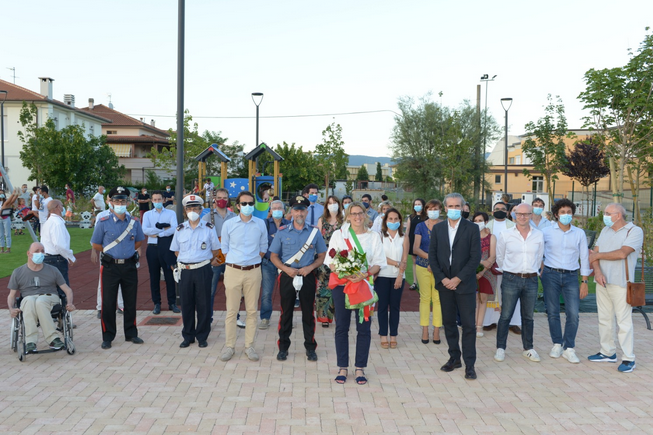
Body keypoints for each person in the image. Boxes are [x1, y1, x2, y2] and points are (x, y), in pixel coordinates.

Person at [325, 202, 386, 385]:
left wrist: (364, 274)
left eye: (360, 213)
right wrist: (346, 272)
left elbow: (378, 263)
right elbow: (331, 261)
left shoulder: (374, 237)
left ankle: (360, 368)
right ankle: (342, 367)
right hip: (342, 285)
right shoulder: (339, 235)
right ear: (348, 216)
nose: (357, 217)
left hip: (363, 285)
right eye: (353, 214)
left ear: (365, 215)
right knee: (342, 327)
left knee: (364, 328)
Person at [429, 193, 481, 380]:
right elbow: (432, 257)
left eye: (457, 206)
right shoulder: (438, 229)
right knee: (449, 323)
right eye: (450, 206)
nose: (453, 209)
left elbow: (475, 258)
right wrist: (443, 279)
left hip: (464, 284)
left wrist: (457, 279)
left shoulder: (472, 229)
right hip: (444, 285)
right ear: (445, 208)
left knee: (468, 326)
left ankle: (470, 364)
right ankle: (454, 358)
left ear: (463, 207)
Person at [270, 195, 327, 362]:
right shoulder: (282, 232)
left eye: (302, 210)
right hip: (288, 276)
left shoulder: (314, 232)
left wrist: (310, 268)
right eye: (296, 210)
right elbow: (273, 256)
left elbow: (322, 255)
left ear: (306, 211)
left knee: (308, 313)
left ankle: (310, 347)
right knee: (286, 312)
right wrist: (286, 270)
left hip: (307, 275)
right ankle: (283, 347)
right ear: (291, 212)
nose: (299, 213)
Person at [588, 202, 643, 373]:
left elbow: (622, 253)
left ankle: (628, 358)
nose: (604, 216)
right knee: (604, 318)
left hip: (621, 283)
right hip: (602, 281)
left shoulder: (634, 231)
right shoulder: (605, 230)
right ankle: (607, 352)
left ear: (618, 215)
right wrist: (597, 272)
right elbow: (593, 256)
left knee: (623, 321)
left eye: (607, 213)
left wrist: (597, 255)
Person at [91, 186, 145, 349]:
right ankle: (108, 336)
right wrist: (112, 252)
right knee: (108, 303)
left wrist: (126, 252)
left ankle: (131, 333)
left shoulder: (134, 222)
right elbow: (96, 243)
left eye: (123, 200)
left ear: (127, 202)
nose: (120, 203)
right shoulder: (103, 222)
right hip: (110, 266)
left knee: (130, 301)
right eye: (117, 200)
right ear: (111, 202)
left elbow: (139, 242)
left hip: (129, 265)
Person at [219, 190, 268, 362]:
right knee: (232, 311)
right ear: (238, 206)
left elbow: (264, 246)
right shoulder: (229, 225)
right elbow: (224, 247)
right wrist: (236, 262)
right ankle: (229, 346)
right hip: (233, 270)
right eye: (244, 204)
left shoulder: (260, 224)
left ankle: (249, 346)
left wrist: (252, 261)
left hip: (254, 271)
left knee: (252, 311)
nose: (248, 207)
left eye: (251, 203)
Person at [541, 198, 590, 364]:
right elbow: (539, 252)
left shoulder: (579, 233)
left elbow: (584, 257)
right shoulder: (546, 232)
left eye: (569, 212)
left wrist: (584, 281)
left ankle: (569, 347)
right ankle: (557, 344)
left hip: (571, 276)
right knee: (553, 312)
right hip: (550, 275)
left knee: (573, 313)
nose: (566, 215)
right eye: (563, 212)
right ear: (556, 214)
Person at [494, 203, 544, 364]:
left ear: (531, 215)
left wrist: (533, 270)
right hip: (510, 279)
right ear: (514, 215)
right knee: (505, 315)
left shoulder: (538, 235)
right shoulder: (506, 234)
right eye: (519, 214)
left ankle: (528, 348)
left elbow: (539, 257)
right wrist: (510, 270)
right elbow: (500, 257)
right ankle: (500, 348)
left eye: (526, 214)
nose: (523, 217)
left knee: (528, 316)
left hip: (531, 280)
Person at [171, 194, 221, 348]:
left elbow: (215, 250)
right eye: (189, 208)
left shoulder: (209, 228)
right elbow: (176, 251)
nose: (192, 210)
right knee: (186, 304)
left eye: (195, 207)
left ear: (201, 210)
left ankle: (202, 336)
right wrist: (188, 260)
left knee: (203, 304)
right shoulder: (180, 229)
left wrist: (202, 260)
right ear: (185, 211)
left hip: (203, 270)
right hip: (186, 271)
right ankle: (188, 336)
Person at [7, 242, 76, 353]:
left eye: (42, 251)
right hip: (28, 298)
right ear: (29, 254)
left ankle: (53, 339)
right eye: (37, 251)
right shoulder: (18, 272)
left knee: (40, 301)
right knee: (29, 300)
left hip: (49, 297)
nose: (40, 253)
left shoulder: (52, 270)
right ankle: (30, 342)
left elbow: (68, 290)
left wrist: (70, 303)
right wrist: (11, 309)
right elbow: (11, 295)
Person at [483, 201, 521, 334]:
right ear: (492, 212)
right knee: (491, 292)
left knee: (512, 293)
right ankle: (489, 321)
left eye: (503, 209)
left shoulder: (514, 226)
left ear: (507, 212)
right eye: (497, 209)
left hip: (510, 264)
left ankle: (513, 322)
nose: (500, 210)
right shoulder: (487, 226)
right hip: (491, 265)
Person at [202, 188, 237, 323]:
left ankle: (235, 317)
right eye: (219, 197)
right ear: (215, 200)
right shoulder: (207, 217)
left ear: (228, 199)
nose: (222, 200)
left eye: (225, 197)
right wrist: (211, 258)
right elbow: (204, 240)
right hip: (215, 259)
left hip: (231, 258)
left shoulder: (234, 217)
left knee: (233, 291)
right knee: (210, 291)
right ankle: (208, 319)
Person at [142, 191, 179, 314]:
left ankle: (172, 303)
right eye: (154, 200)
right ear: (152, 201)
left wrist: (159, 233)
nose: (157, 202)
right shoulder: (147, 214)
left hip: (167, 248)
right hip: (152, 247)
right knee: (154, 276)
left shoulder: (171, 213)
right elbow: (145, 229)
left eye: (159, 199)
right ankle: (156, 303)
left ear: (164, 200)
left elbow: (174, 228)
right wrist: (164, 228)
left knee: (169, 275)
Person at [377, 208, 409, 349]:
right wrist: (396, 264)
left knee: (395, 307)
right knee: (383, 307)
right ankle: (383, 335)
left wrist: (400, 275)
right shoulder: (379, 236)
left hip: (398, 277)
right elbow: (379, 257)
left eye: (396, 219)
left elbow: (404, 259)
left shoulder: (404, 237)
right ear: (385, 220)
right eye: (390, 219)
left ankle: (393, 335)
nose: (393, 221)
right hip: (382, 276)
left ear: (400, 221)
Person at [413, 199, 443, 344]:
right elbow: (416, 248)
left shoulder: (445, 226)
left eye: (435, 208)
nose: (433, 211)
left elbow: (448, 248)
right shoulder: (420, 226)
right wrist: (431, 260)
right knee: (424, 298)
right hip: (422, 266)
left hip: (440, 268)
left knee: (438, 299)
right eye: (430, 208)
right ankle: (425, 329)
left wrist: (436, 263)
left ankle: (436, 330)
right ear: (426, 210)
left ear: (440, 210)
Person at [91, 198, 125, 318]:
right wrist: (93, 251)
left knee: (123, 279)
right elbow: (96, 236)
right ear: (107, 201)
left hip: (122, 252)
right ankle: (101, 307)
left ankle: (122, 305)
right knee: (103, 280)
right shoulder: (102, 216)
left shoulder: (127, 215)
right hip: (106, 253)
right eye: (111, 200)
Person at [259, 199, 290, 330]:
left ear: (284, 211)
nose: (277, 210)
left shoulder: (290, 224)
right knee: (266, 292)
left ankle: (287, 319)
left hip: (286, 265)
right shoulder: (264, 224)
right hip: (268, 263)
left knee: (288, 293)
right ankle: (265, 318)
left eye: (279, 208)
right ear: (270, 211)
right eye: (274, 208)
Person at [315, 195, 343, 327]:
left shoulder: (345, 221)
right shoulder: (322, 220)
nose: (333, 205)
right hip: (324, 259)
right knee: (323, 288)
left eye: (335, 202)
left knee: (339, 287)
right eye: (330, 203)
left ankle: (339, 315)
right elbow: (317, 239)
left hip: (341, 259)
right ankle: (324, 317)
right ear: (326, 206)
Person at [472, 212, 496, 338]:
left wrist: (481, 271)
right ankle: (470, 325)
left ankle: (479, 326)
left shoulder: (491, 237)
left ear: (486, 221)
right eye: (475, 220)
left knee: (482, 299)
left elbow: (492, 257)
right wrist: (477, 266)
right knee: (472, 300)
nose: (478, 222)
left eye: (480, 220)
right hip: (471, 272)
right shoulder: (469, 236)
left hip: (486, 273)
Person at [41, 200, 75, 285]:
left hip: (47, 258)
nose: (63, 208)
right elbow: (60, 245)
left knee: (51, 287)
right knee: (62, 288)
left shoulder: (48, 222)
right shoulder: (57, 223)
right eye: (62, 205)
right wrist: (70, 257)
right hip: (56, 259)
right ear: (57, 207)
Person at [406, 198, 427, 292]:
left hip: (423, 242)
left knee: (423, 263)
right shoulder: (411, 217)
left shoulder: (426, 217)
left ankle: (424, 283)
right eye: (416, 204)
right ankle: (415, 282)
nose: (417, 206)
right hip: (413, 241)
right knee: (414, 262)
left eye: (419, 204)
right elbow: (407, 231)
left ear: (423, 205)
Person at [0, 187, 18, 253]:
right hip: (0, 219)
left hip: (5, 218)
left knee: (7, 234)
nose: (1, 195)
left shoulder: (5, 203)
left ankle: (8, 249)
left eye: (2, 193)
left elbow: (11, 201)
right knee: (1, 235)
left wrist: (15, 195)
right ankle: (1, 248)